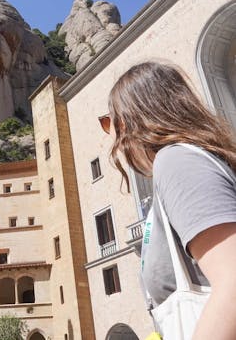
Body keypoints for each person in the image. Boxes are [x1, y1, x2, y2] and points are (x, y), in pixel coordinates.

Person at [101, 61, 236, 339]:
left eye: (108, 123)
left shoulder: (176, 160)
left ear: (125, 123)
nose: (110, 137)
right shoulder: (190, 160)